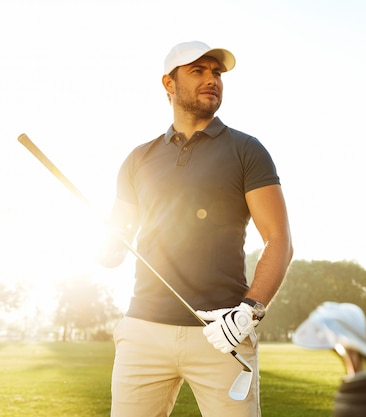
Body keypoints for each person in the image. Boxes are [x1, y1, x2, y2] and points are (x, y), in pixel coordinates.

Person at [98, 40, 294, 417]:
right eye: (198, 71)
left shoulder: (247, 150)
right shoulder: (139, 159)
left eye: (217, 73)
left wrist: (250, 312)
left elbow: (279, 241)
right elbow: (111, 251)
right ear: (168, 84)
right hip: (143, 332)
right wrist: (103, 242)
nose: (212, 80)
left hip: (224, 334)